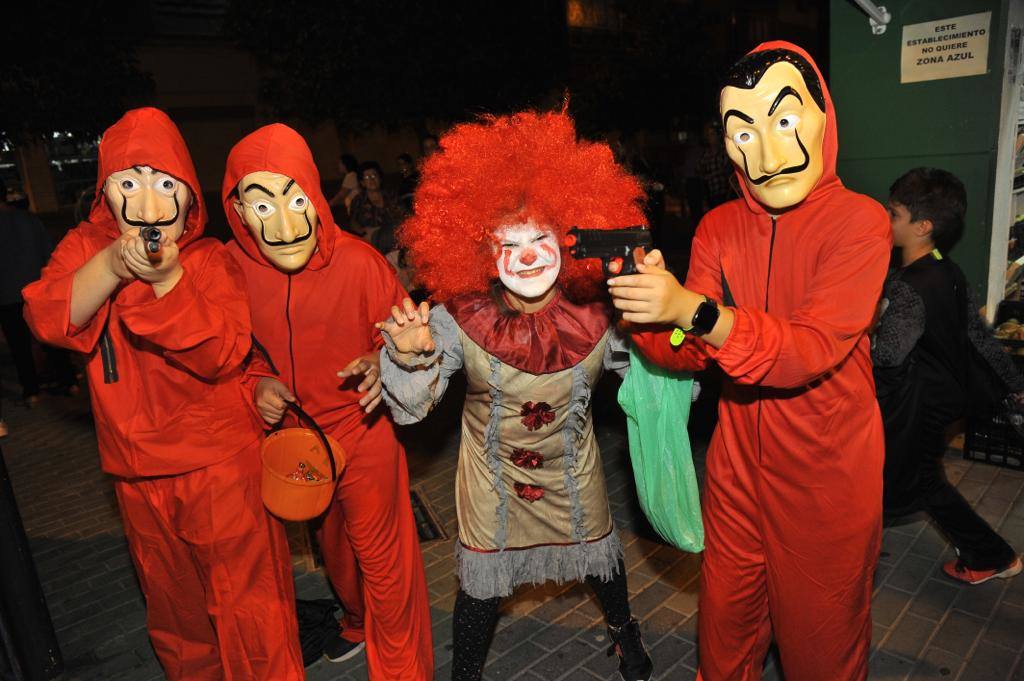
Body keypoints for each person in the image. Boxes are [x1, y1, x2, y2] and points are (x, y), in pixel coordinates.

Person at [608, 43, 892, 680]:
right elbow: (688, 356)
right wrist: (650, 314)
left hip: (827, 479)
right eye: (743, 130)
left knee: (822, 646)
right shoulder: (718, 227)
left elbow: (807, 351)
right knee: (725, 634)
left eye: (784, 120)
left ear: (823, 118)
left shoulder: (859, 223)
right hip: (736, 471)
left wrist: (692, 311)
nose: (764, 153)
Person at [21, 108, 303, 680]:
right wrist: (109, 264)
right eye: (130, 182)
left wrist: (165, 283)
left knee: (251, 612)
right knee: (177, 619)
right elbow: (47, 317)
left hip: (219, 468)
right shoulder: (85, 245)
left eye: (164, 183)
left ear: (187, 195)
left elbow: (221, 352)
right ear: (105, 192)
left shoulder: (209, 259)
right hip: (135, 473)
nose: (149, 204)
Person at [379, 109, 655, 681]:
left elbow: (665, 373)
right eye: (509, 243)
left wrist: (672, 319)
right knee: (479, 588)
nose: (528, 256)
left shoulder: (602, 313)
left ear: (570, 237)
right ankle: (467, 674)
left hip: (573, 473)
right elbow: (413, 407)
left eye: (540, 238)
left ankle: (625, 634)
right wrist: (409, 354)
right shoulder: (460, 319)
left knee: (602, 562)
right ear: (480, 253)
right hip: (490, 482)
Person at [221, 123, 433, 680]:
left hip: (363, 433)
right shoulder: (224, 271)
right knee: (335, 550)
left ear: (315, 197)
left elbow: (413, 341)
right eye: (262, 205)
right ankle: (357, 619)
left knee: (387, 564)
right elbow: (220, 356)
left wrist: (381, 358)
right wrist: (256, 385)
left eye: (294, 199)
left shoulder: (361, 262)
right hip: (292, 445)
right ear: (239, 211)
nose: (286, 224)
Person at [873, 167, 1023, 584]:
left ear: (922, 226)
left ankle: (992, 555)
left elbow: (888, 354)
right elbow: (980, 336)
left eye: (893, 214)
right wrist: (1014, 384)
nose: (886, 221)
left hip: (918, 403)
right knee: (918, 478)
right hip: (943, 397)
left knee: (918, 481)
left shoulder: (908, 287)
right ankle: (988, 554)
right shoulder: (946, 269)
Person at [348, 161, 402, 254]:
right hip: (371, 239)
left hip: (394, 237)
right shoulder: (358, 200)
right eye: (367, 177)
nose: (372, 180)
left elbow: (403, 215)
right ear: (362, 183)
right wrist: (363, 232)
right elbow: (353, 222)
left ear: (380, 178)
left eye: (374, 176)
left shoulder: (391, 195)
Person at [697, 120, 731, 212]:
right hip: (712, 194)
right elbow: (701, 174)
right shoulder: (705, 155)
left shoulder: (724, 152)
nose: (710, 137)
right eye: (708, 135)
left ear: (717, 136)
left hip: (725, 193)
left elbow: (728, 172)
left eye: (712, 134)